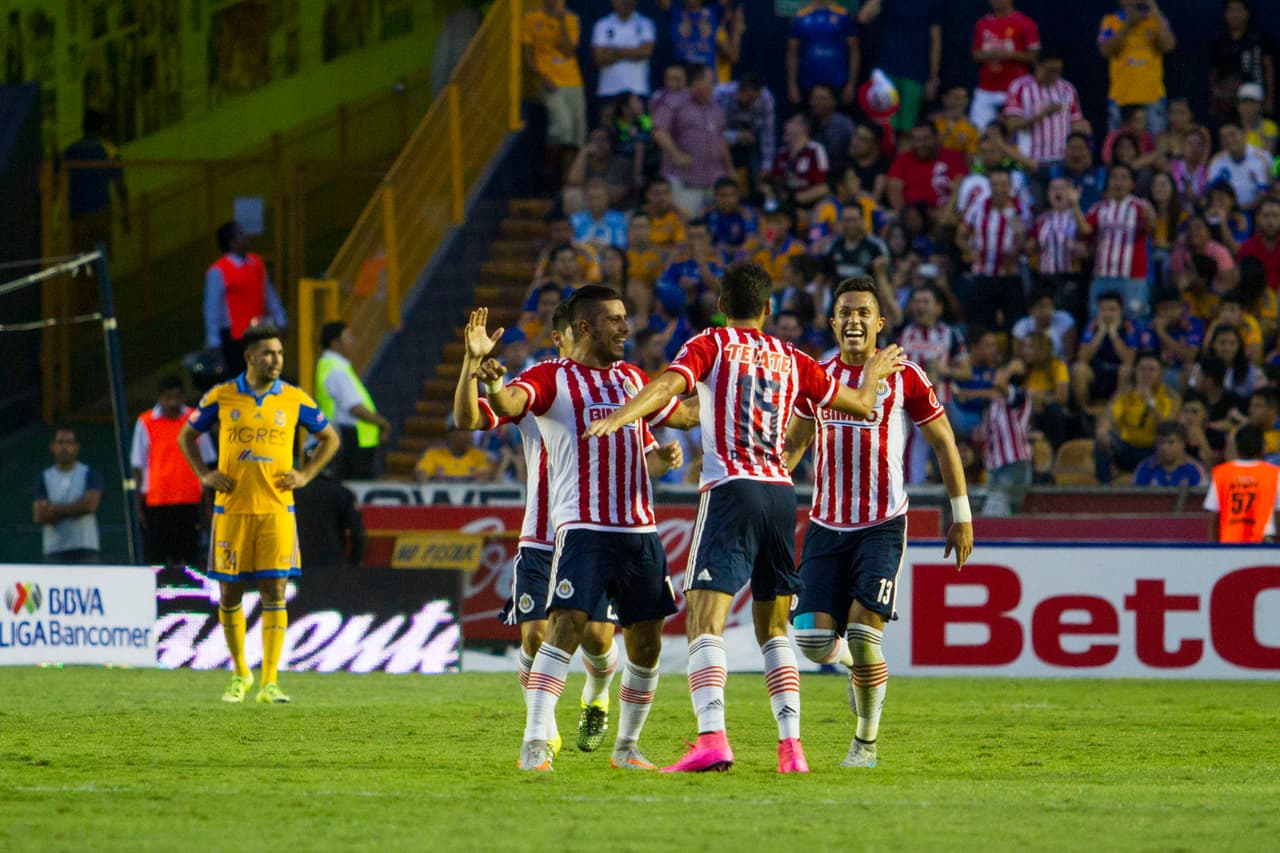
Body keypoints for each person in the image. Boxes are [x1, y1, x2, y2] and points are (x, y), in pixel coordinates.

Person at [587, 262, 908, 774]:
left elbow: (668, 385)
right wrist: (872, 374)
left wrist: (623, 414)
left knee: (703, 620)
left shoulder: (710, 346)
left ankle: (712, 737)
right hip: (781, 493)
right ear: (767, 308)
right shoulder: (793, 357)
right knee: (775, 627)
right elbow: (864, 404)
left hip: (731, 490)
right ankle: (792, 749)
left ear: (721, 307)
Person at [474, 285, 686, 772]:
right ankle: (534, 742)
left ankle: (628, 747)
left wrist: (718, 404)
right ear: (585, 327)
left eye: (625, 317)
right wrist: (487, 381)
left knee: (646, 641)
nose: (625, 327)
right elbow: (507, 404)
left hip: (640, 531)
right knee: (563, 627)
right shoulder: (552, 377)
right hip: (581, 528)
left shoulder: (634, 378)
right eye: (615, 319)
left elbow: (678, 417)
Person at [782, 274, 971, 768]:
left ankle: (864, 743)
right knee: (814, 641)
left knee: (866, 635)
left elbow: (944, 440)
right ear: (833, 321)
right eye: (845, 312)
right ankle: (850, 668)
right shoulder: (817, 374)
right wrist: (770, 483)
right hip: (826, 522)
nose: (854, 321)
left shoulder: (906, 376)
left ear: (879, 322)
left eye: (863, 313)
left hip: (882, 522)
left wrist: (962, 513)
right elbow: (796, 442)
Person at [178, 325, 341, 705]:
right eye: (268, 353)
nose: (275, 360)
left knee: (275, 591)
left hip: (276, 510)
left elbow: (330, 438)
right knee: (230, 592)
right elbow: (186, 435)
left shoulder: (294, 399)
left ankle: (270, 682)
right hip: (232, 510)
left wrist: (304, 474)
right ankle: (240, 674)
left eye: (279, 354)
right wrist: (204, 473)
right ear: (250, 357)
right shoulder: (222, 396)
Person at [130, 375, 214, 569]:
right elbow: (137, 466)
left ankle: (186, 598)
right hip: (157, 501)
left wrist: (208, 504)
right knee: (156, 559)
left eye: (177, 397)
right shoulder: (145, 422)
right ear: (160, 398)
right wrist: (138, 504)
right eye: (168, 397)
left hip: (190, 500)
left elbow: (207, 465)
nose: (173, 403)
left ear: (183, 396)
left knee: (189, 559)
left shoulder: (197, 420)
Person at [203, 221, 288, 379]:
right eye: (241, 234)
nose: (247, 237)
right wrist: (214, 341)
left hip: (259, 332)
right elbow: (212, 309)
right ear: (232, 242)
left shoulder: (256, 264)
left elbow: (269, 295)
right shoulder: (219, 270)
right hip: (234, 337)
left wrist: (281, 320)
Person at [315, 321, 392, 480]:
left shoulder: (330, 366)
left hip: (347, 437)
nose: (353, 341)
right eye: (348, 337)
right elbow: (355, 408)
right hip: (351, 440)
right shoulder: (336, 369)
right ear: (335, 343)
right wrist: (382, 423)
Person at [652, 65, 731, 217]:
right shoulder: (674, 101)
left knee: (712, 229)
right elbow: (658, 130)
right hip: (685, 181)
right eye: (710, 83)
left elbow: (721, 139)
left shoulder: (715, 107)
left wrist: (730, 169)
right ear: (697, 82)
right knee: (687, 224)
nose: (712, 87)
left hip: (714, 182)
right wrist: (676, 154)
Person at [522, 0, 587, 187]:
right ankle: (547, 172)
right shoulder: (531, 19)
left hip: (573, 81)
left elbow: (568, 52)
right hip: (549, 83)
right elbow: (528, 56)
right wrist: (541, 76)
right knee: (562, 128)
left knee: (576, 136)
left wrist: (561, 23)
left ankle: (567, 183)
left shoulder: (571, 19)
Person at [957, 166, 1026, 333]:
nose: (999, 189)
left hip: (1010, 276)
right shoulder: (978, 207)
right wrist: (969, 251)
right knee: (981, 325)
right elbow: (960, 236)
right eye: (995, 184)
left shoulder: (1020, 210)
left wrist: (1019, 243)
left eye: (1003, 184)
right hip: (983, 275)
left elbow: (1030, 245)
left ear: (1010, 186)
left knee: (1012, 325)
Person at [1094, 350, 1179, 484]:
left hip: (1154, 451)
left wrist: (1150, 403)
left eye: (1152, 369)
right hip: (1127, 448)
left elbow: (1167, 430)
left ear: (1160, 373)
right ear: (1135, 372)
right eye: (1142, 369)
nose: (1147, 374)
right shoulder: (1125, 392)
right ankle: (1103, 488)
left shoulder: (1170, 396)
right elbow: (1108, 417)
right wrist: (1103, 430)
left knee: (1167, 444)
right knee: (1103, 439)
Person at [856, 0, 943, 131]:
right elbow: (863, 18)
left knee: (907, 130)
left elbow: (935, 40)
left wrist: (933, 78)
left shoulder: (932, 3)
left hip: (915, 74)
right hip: (886, 73)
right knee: (882, 126)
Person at [1085, 163, 1155, 319]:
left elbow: (1151, 230)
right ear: (1108, 182)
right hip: (1102, 274)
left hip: (1132, 276)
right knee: (1097, 321)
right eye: (1114, 177)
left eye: (1124, 178)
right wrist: (1075, 205)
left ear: (1132, 184)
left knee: (1134, 321)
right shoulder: (1099, 208)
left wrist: (1149, 219)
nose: (1118, 182)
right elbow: (1085, 230)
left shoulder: (1141, 206)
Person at [1004, 51, 1088, 178]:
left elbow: (1076, 124)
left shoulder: (1067, 89)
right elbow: (1011, 124)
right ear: (1037, 65)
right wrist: (1041, 115)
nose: (1054, 75)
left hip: (1062, 162)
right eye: (1050, 70)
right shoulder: (1020, 87)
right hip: (1031, 162)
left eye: (1058, 71)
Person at [1096, 0, 1176, 134]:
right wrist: (1127, 24)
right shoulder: (1111, 21)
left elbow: (1169, 46)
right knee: (1120, 144)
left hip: (1152, 96)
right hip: (1121, 96)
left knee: (1156, 144)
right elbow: (1105, 51)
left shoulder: (1156, 20)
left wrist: (1156, 14)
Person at [63, 109, 128, 255]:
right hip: (101, 215)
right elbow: (121, 186)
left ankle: (86, 277)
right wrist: (125, 214)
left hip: (77, 217)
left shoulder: (70, 151)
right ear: (102, 128)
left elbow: (54, 183)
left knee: (82, 265)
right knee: (101, 263)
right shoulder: (110, 151)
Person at [33, 427, 103, 564]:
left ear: (76, 447)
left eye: (69, 443)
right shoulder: (44, 477)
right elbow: (39, 516)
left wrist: (53, 509)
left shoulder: (89, 474)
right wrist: (77, 508)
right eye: (60, 442)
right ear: (52, 447)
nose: (64, 447)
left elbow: (90, 506)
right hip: (54, 550)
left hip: (85, 548)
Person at [969, 0, 1040, 130]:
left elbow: (1035, 57)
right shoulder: (982, 24)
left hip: (1014, 89)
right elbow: (975, 54)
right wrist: (991, 55)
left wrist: (1008, 54)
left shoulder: (1025, 23)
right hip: (986, 89)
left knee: (1016, 133)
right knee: (979, 132)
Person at [1203, 424, 1280, 542]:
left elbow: (1214, 517)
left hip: (1230, 539)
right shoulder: (1274, 474)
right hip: (1263, 539)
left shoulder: (1222, 473)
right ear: (1263, 446)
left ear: (1236, 447)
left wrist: (1212, 547)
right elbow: (1278, 512)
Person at [292, 456, 367, 570]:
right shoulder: (342, 492)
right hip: (333, 566)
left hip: (296, 564)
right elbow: (358, 534)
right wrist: (354, 563)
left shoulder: (290, 493)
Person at [1208, 0, 1275, 124]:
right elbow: (1214, 73)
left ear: (1247, 14)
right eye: (1231, 10)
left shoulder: (1259, 38)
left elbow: (1268, 68)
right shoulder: (1219, 42)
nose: (1234, 15)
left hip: (1254, 100)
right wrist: (1214, 101)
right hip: (1227, 103)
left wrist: (1269, 99)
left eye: (1239, 10)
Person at [786, 0, 860, 107]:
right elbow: (792, 54)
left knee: (836, 122)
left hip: (837, 82)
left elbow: (854, 52)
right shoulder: (800, 17)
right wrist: (792, 85)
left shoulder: (843, 15)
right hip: (808, 82)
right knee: (809, 121)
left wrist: (851, 84)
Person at [886, 122, 966, 217]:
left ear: (937, 137)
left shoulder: (953, 158)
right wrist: (906, 215)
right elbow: (894, 190)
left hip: (946, 214)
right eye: (916, 139)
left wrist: (946, 212)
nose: (920, 144)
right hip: (912, 215)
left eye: (925, 139)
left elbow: (961, 187)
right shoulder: (903, 160)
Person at [715, 71, 776, 188]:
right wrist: (736, 136)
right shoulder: (720, 94)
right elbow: (712, 131)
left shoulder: (766, 99)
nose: (748, 101)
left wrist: (767, 165)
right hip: (721, 141)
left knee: (757, 172)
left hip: (750, 142)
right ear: (739, 89)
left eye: (753, 98)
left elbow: (768, 134)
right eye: (745, 95)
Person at [591, 0, 655, 99]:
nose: (624, 2)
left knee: (644, 115)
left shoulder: (645, 23)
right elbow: (599, 59)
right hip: (609, 92)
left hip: (639, 90)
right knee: (609, 115)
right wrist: (634, 52)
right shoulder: (602, 25)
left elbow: (646, 52)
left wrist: (615, 51)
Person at [1207, 124, 1273, 213]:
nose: (1229, 140)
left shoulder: (1263, 158)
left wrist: (1240, 209)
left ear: (1244, 134)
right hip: (1226, 212)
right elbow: (1211, 192)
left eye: (1232, 135)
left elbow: (1266, 194)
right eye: (1224, 137)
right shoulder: (1216, 160)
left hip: (1256, 212)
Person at [415, 416, 496, 483]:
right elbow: (421, 477)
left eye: (471, 431)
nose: (469, 436)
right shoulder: (433, 454)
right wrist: (430, 479)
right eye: (464, 431)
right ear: (450, 434)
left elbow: (486, 479)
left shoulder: (480, 456)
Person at [1132, 420, 1206, 487]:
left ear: (1183, 444)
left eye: (1170, 442)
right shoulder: (1145, 468)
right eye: (1160, 442)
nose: (1164, 448)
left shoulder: (1195, 470)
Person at [1238, 197, 1280, 292]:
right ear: (1257, 218)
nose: (1270, 222)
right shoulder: (1247, 248)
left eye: (1275, 216)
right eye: (1266, 216)